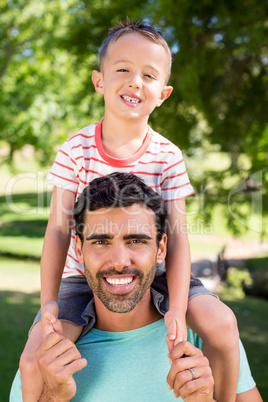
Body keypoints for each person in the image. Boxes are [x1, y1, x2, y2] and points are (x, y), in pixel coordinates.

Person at [19, 20, 240, 402]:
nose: (135, 81)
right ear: (99, 81)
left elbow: (179, 236)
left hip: (154, 272)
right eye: (123, 69)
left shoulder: (168, 156)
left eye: (148, 75)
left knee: (222, 324)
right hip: (78, 277)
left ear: (163, 94)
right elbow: (57, 230)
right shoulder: (75, 149)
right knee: (32, 359)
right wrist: (49, 299)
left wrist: (174, 305)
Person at [11, 173, 262, 401]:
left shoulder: (204, 337)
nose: (120, 261)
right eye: (100, 241)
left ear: (161, 249)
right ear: (78, 249)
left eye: (136, 240)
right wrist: (54, 396)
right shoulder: (50, 360)